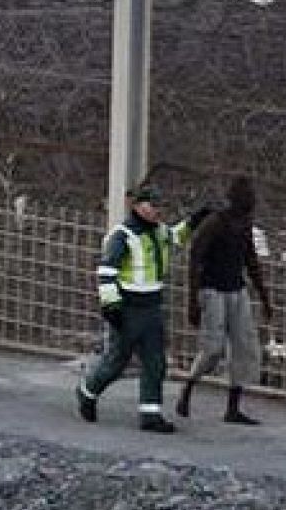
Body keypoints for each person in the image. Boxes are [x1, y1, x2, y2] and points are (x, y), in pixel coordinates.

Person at [75, 184, 208, 433]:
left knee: (155, 362)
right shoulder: (122, 236)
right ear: (137, 206)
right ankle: (87, 392)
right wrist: (111, 305)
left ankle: (150, 414)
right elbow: (106, 271)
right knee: (115, 361)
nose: (157, 211)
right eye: (152, 205)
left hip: (152, 306)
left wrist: (194, 221)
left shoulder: (158, 232)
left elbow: (176, 237)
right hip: (127, 307)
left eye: (160, 206)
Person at [176, 176, 274, 424]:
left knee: (243, 348)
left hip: (236, 291)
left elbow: (251, 261)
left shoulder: (243, 225)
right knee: (212, 349)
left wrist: (264, 297)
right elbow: (195, 259)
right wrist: (193, 299)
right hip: (213, 290)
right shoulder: (215, 224)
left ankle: (233, 407)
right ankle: (188, 388)